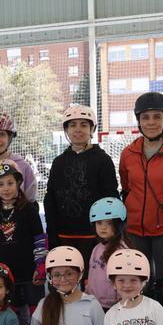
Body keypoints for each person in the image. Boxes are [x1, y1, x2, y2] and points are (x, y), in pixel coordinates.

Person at [118, 91, 163, 300]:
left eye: (157, 116)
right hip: (135, 229)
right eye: (146, 117)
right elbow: (127, 187)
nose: (151, 122)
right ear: (139, 121)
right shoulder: (128, 153)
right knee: (139, 284)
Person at [44, 105, 118, 266]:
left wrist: (110, 231)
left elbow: (111, 196)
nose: (78, 129)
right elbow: (50, 199)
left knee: (93, 277)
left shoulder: (103, 160)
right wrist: (52, 232)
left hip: (94, 235)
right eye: (73, 125)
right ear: (66, 130)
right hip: (63, 235)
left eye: (83, 125)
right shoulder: (58, 162)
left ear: (92, 129)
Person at [0, 160, 45, 325]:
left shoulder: (29, 209)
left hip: (30, 271)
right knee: (13, 310)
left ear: (18, 183)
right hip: (7, 273)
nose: (6, 188)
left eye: (10, 183)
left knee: (36, 308)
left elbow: (39, 239)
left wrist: (40, 264)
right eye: (1, 184)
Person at [86, 198, 130, 311]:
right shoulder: (97, 248)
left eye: (109, 223)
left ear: (119, 225)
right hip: (94, 302)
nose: (103, 227)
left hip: (114, 306)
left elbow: (125, 280)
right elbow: (92, 272)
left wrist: (121, 301)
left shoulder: (121, 251)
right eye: (99, 223)